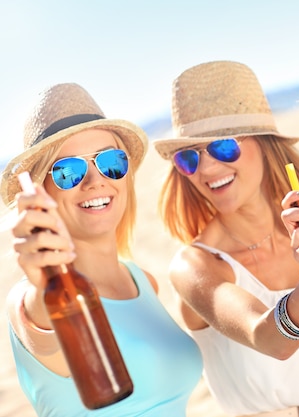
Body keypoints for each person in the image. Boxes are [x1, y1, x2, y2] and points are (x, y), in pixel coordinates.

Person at [152, 60, 299, 417]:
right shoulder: (195, 266)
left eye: (223, 147)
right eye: (188, 158)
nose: (207, 169)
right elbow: (270, 339)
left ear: (263, 144)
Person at [1, 83, 202, 416]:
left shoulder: (143, 282)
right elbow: (42, 323)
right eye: (68, 171)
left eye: (111, 162)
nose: (95, 181)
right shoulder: (37, 298)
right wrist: (46, 286)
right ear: (40, 193)